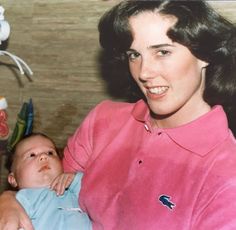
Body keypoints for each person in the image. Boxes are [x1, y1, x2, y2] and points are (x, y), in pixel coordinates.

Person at [0, 0, 236, 229]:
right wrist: (9, 200)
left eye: (162, 52)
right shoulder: (103, 120)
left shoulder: (226, 176)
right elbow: (49, 195)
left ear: (205, 54)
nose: (144, 72)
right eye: (134, 55)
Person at [5, 133, 91, 230]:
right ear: (13, 179)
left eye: (50, 153)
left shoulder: (73, 190)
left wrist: (75, 179)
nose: (43, 156)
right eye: (32, 155)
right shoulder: (21, 200)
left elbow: (97, 197)